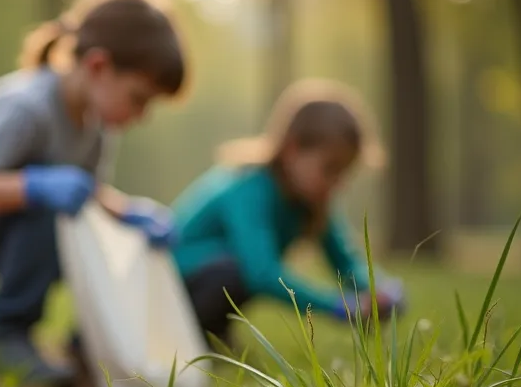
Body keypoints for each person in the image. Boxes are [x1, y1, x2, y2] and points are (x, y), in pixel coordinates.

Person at [0, 0, 187, 387]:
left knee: (73, 211)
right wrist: (36, 186)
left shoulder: (96, 127)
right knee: (52, 204)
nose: (141, 114)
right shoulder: (28, 106)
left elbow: (88, 192)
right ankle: (5, 332)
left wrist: (132, 213)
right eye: (138, 98)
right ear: (98, 66)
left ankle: (37, 331)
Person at [171, 78, 404, 347]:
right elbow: (261, 272)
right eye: (330, 169)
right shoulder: (249, 188)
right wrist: (336, 306)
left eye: (344, 173)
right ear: (292, 149)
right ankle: (193, 338)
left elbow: (344, 262)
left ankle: (210, 337)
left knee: (233, 270)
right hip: (175, 286)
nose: (337, 184)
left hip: (216, 276)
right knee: (232, 271)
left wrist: (378, 290)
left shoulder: (311, 200)